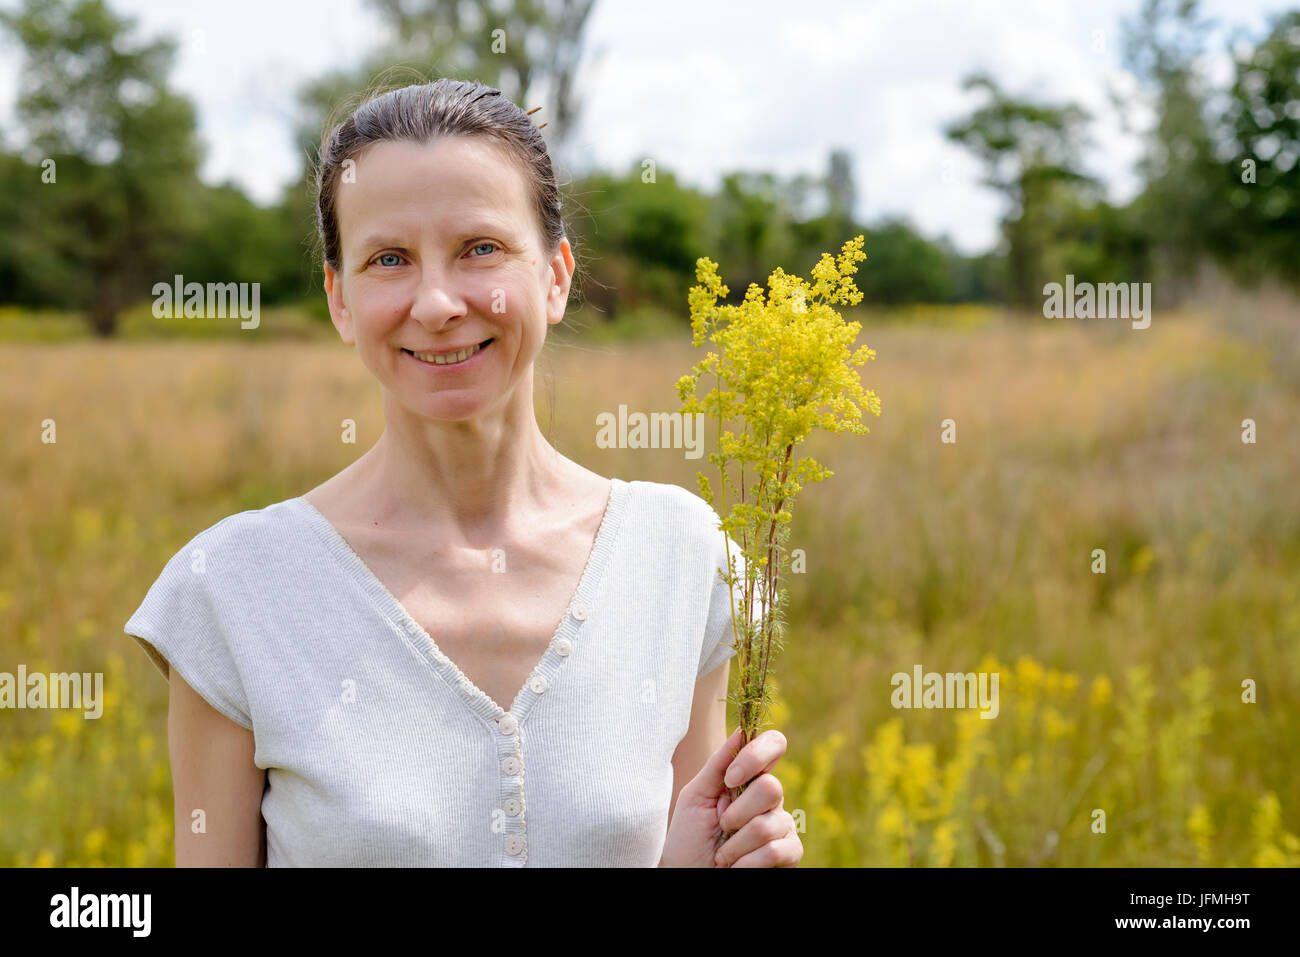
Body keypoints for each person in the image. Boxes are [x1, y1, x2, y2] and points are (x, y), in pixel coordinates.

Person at [124, 78, 801, 868]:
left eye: (480, 247)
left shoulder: (684, 556)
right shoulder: (234, 589)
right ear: (340, 300)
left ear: (554, 275)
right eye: (389, 259)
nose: (439, 301)